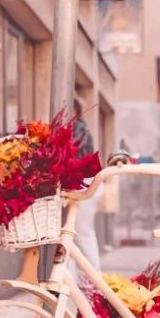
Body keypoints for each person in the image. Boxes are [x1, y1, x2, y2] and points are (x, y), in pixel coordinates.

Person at [72, 98, 101, 271]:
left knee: (82, 233)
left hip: (84, 183)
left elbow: (72, 152)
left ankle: (95, 280)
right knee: (72, 235)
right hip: (81, 183)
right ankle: (73, 282)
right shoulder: (78, 128)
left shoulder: (79, 129)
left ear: (75, 110)